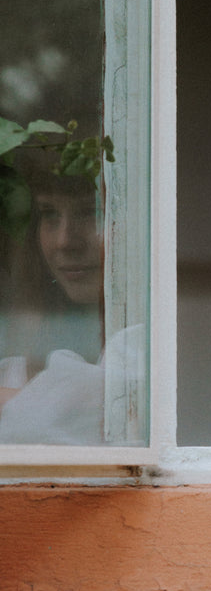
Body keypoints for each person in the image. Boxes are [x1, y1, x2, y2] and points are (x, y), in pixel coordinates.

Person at [0, 163, 106, 442]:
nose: (65, 241)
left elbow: (116, 403)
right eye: (50, 214)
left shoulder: (146, 342)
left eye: (92, 212)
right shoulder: (18, 354)